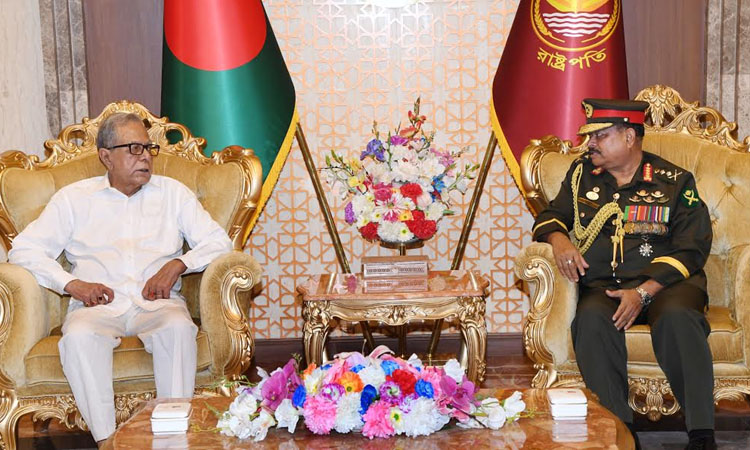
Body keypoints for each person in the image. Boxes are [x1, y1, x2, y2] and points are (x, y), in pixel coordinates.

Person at [8, 112, 233, 446]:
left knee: (178, 328)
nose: (145, 157)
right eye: (133, 148)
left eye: (148, 148)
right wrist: (71, 285)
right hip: (97, 306)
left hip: (157, 303)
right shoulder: (73, 199)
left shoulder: (173, 194)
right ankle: (107, 441)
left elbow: (219, 243)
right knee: (78, 337)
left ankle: (172, 439)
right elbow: (23, 250)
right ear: (106, 156)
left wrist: (179, 264)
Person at [532, 99, 716, 450]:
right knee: (590, 320)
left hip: (667, 285)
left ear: (630, 137)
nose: (590, 143)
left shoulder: (674, 182)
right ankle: (620, 433)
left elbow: (693, 246)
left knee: (678, 317)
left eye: (600, 136)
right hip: (608, 286)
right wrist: (559, 240)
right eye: (590, 136)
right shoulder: (581, 176)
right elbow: (549, 216)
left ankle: (702, 434)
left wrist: (644, 292)